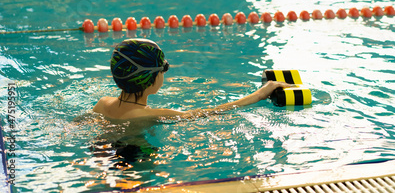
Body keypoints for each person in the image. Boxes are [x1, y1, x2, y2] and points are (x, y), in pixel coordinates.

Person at [93, 38, 293, 120]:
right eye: (164, 68)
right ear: (151, 78)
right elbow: (210, 112)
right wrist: (259, 94)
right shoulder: (151, 115)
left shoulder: (102, 104)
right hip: (134, 162)